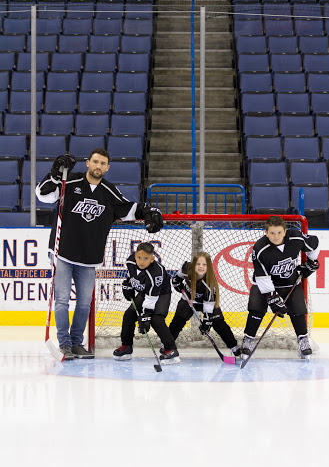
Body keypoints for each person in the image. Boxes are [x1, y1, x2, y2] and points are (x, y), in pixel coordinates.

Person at [36, 149, 163, 360]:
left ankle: (77, 343)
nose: (98, 166)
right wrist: (55, 173)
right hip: (63, 253)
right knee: (61, 301)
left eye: (102, 163)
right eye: (95, 162)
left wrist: (149, 210)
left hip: (89, 257)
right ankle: (64, 344)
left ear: (107, 167)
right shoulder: (70, 182)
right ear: (87, 163)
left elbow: (129, 209)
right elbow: (44, 195)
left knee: (84, 303)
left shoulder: (109, 192)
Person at [241, 215, 320, 360]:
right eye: (272, 233)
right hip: (263, 285)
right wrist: (273, 298)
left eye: (279, 232)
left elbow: (313, 243)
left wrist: (312, 261)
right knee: (256, 309)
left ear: (285, 231)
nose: (275, 236)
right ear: (266, 233)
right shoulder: (259, 248)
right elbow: (262, 277)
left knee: (298, 311)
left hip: (290, 283)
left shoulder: (296, 238)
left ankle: (303, 340)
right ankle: (248, 339)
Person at [114, 242, 180, 364]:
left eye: (146, 258)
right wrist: (128, 285)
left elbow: (151, 299)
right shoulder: (130, 262)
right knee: (129, 315)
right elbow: (131, 275)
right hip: (145, 292)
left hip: (161, 294)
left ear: (152, 259)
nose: (141, 261)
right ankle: (126, 346)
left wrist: (145, 316)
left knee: (156, 319)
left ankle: (171, 349)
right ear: (135, 256)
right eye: (139, 257)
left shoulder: (155, 274)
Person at [169, 251, 241, 358]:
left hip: (206, 304)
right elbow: (177, 278)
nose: (201, 267)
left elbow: (208, 307)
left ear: (209, 266)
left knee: (219, 323)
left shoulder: (209, 284)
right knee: (178, 321)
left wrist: (207, 322)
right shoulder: (187, 268)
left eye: (204, 264)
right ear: (193, 265)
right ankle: (167, 346)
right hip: (188, 299)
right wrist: (177, 284)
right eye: (198, 264)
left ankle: (234, 347)